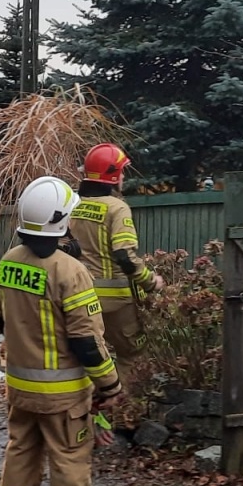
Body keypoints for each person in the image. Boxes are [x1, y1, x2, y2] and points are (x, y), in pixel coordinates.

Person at [0, 176, 124, 486]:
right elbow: (86, 340)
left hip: (20, 388)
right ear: (63, 220)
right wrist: (110, 385)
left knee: (21, 451)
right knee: (69, 462)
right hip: (63, 396)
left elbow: (5, 320)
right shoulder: (70, 272)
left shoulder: (8, 261)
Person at [66, 143, 164, 359]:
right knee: (133, 355)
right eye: (122, 172)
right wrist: (150, 281)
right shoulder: (117, 207)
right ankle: (122, 393)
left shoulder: (74, 205)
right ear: (112, 175)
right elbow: (124, 257)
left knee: (90, 356)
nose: (123, 178)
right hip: (116, 302)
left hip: (81, 297)